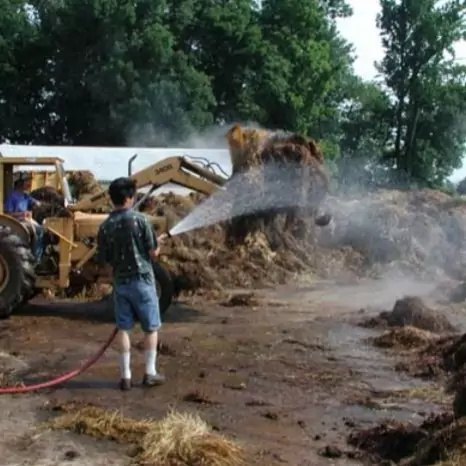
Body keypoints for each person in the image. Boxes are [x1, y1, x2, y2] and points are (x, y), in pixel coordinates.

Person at [96, 177, 165, 391]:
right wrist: (159, 245)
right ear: (129, 197)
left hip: (121, 283)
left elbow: (105, 261)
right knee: (151, 328)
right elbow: (153, 255)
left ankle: (125, 376)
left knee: (123, 329)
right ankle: (150, 372)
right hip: (143, 280)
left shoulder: (105, 226)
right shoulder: (141, 220)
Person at [4, 177, 44, 260]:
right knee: (39, 230)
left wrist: (39, 204)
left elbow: (36, 202)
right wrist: (22, 214)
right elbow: (7, 214)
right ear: (20, 183)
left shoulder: (25, 195)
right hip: (17, 221)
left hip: (26, 219)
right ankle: (36, 257)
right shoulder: (12, 196)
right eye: (27, 181)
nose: (29, 183)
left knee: (44, 228)